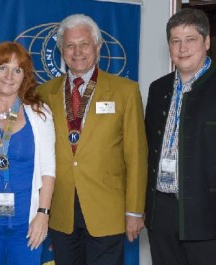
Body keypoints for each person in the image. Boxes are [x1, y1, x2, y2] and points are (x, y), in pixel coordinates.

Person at [144, 8, 216, 265]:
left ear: (207, 42)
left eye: (190, 39)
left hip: (213, 220)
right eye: (175, 41)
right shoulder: (158, 88)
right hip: (161, 217)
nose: (182, 48)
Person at [37, 14, 148, 265]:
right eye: (70, 45)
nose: (77, 52)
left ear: (97, 47)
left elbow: (136, 156)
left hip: (107, 209)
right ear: (61, 50)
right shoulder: (44, 93)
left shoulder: (125, 91)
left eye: (84, 44)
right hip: (61, 210)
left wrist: (134, 211)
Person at [0, 42, 55, 265]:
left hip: (27, 222)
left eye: (17, 70)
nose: (9, 75)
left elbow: (49, 171)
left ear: (24, 77)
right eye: (3, 67)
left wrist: (43, 214)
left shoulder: (39, 114)